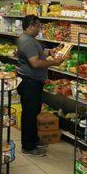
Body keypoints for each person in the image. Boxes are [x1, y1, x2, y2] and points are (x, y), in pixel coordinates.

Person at [16, 15, 67, 157]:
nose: (39, 29)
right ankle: (28, 146)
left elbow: (38, 53)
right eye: (38, 26)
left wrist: (49, 52)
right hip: (29, 82)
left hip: (31, 81)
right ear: (31, 26)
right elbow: (36, 63)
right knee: (30, 114)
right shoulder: (27, 41)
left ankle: (33, 139)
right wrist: (54, 63)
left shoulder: (29, 39)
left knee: (33, 112)